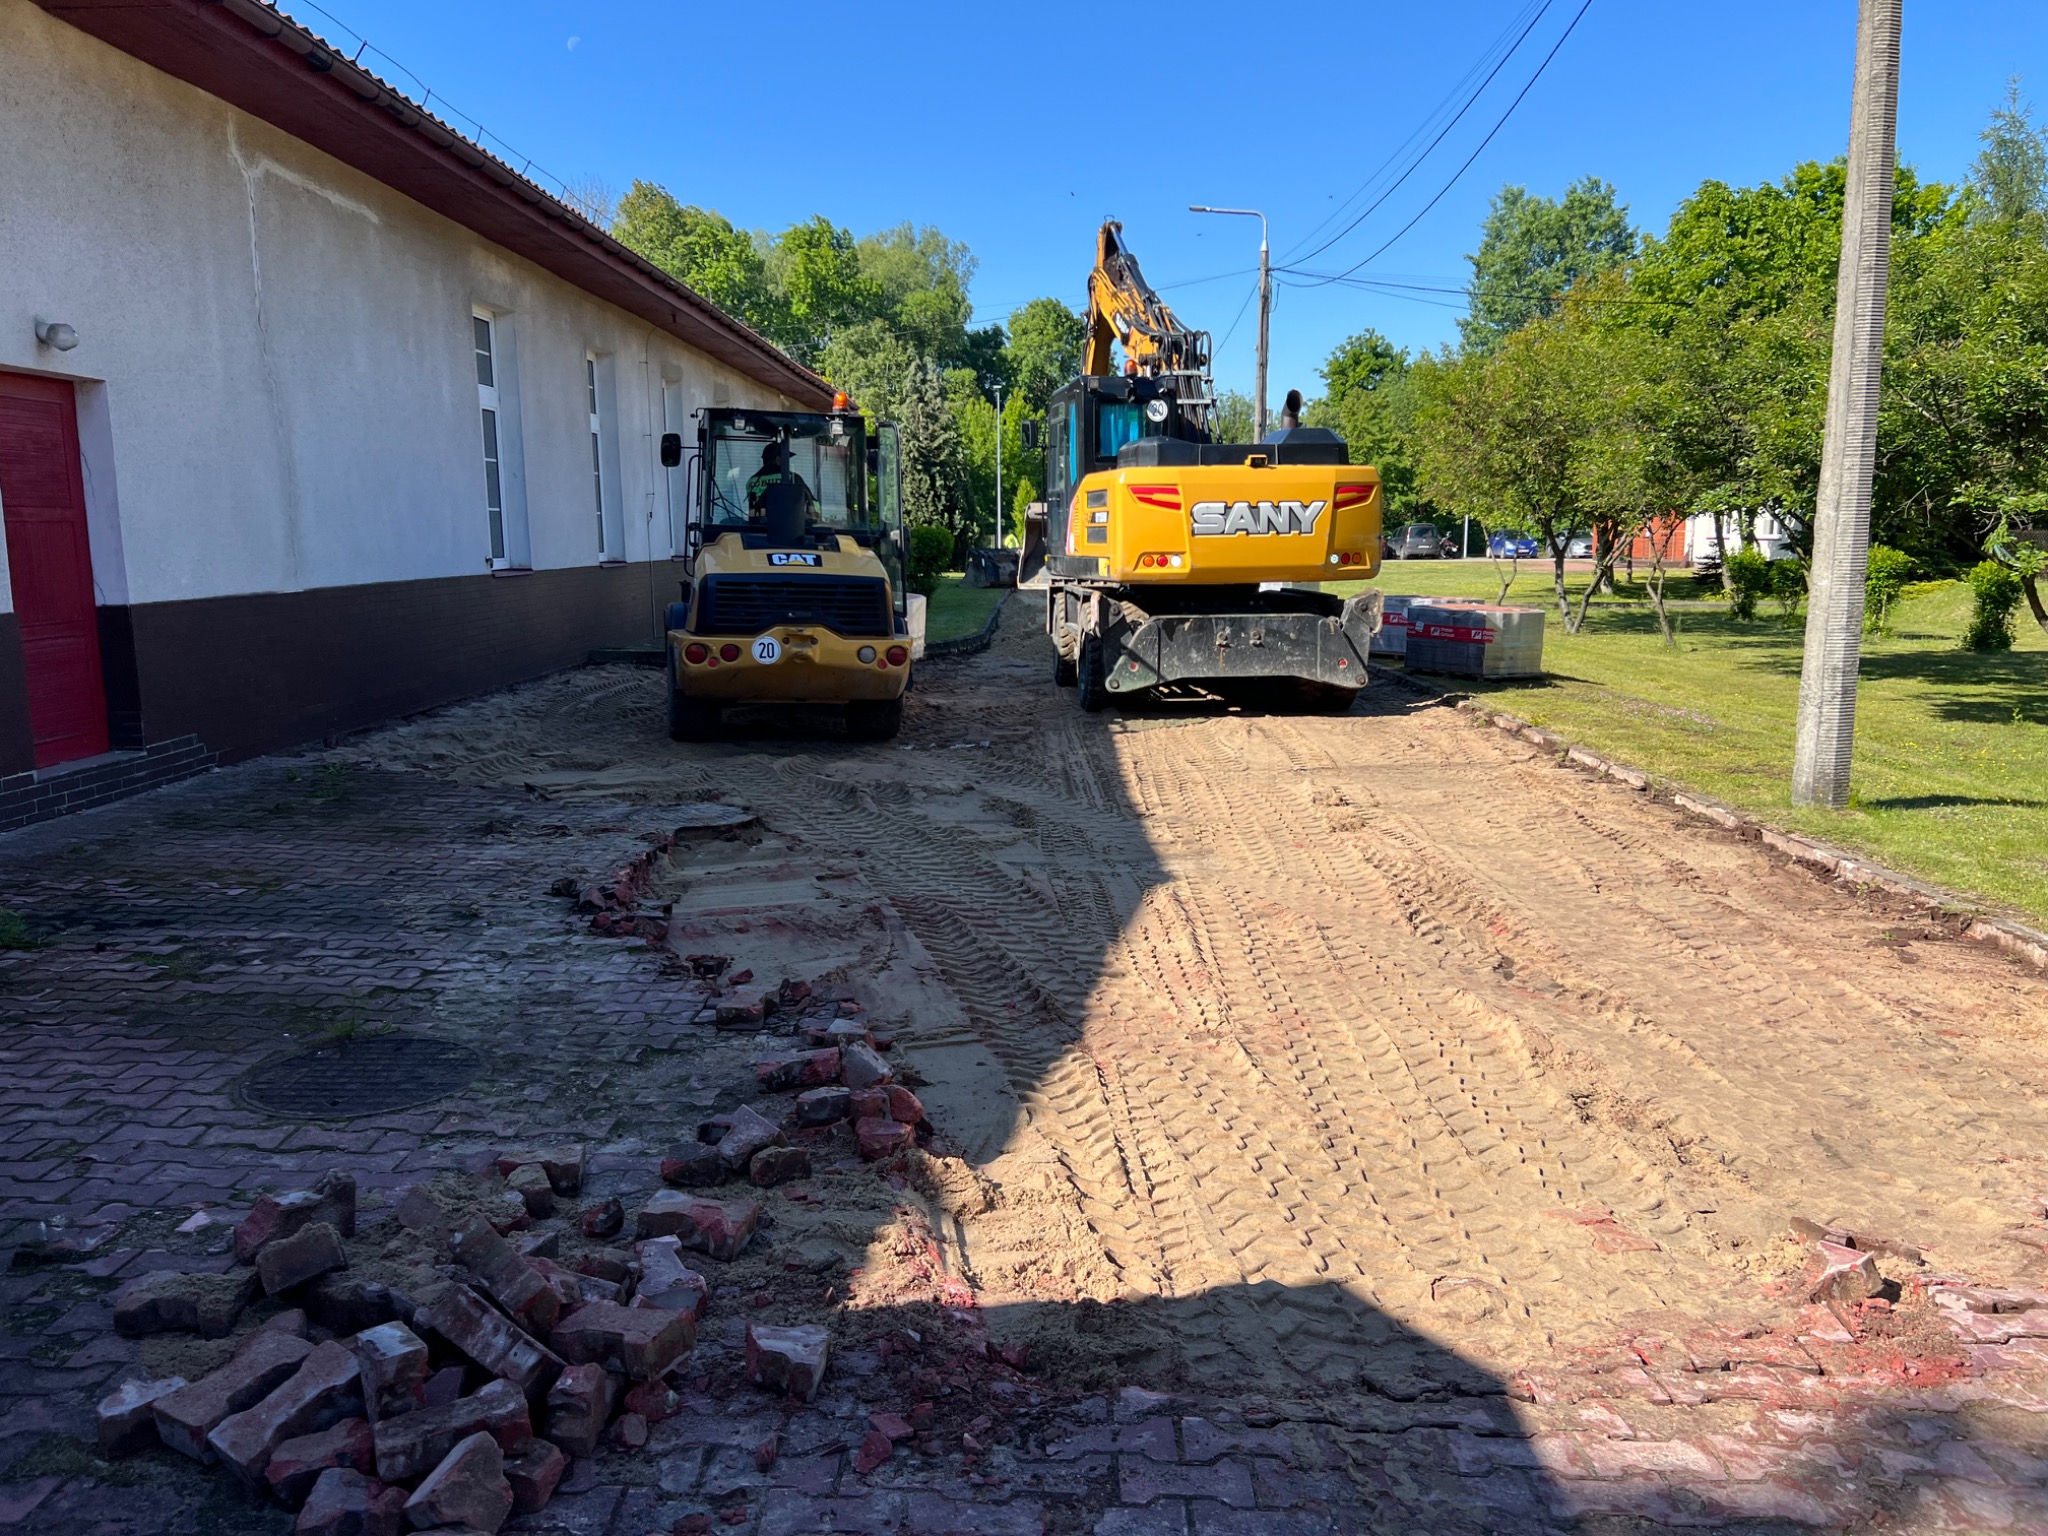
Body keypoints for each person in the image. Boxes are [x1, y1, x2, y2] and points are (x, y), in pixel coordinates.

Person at [745, 441, 815, 519]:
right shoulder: (792, 478)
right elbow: (811, 503)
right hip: (788, 525)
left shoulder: (752, 481)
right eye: (786, 459)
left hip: (759, 525)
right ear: (778, 460)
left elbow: (754, 510)